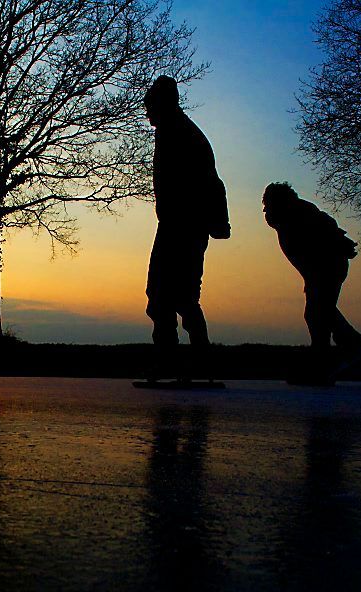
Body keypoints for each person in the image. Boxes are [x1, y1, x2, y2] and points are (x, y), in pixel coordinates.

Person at [143, 75, 229, 380]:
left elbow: (203, 182)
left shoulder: (179, 132)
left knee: (173, 295)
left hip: (183, 226)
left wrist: (200, 220)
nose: (147, 113)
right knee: (168, 295)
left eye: (150, 106)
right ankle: (182, 359)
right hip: (179, 224)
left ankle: (187, 360)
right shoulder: (177, 130)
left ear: (161, 104)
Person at [262, 182, 361, 366]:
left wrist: (341, 245)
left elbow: (326, 231)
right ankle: (343, 343)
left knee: (318, 311)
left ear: (279, 201)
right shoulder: (290, 216)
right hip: (318, 270)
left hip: (328, 266)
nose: (264, 209)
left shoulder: (299, 213)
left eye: (267, 203)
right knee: (320, 310)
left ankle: (331, 351)